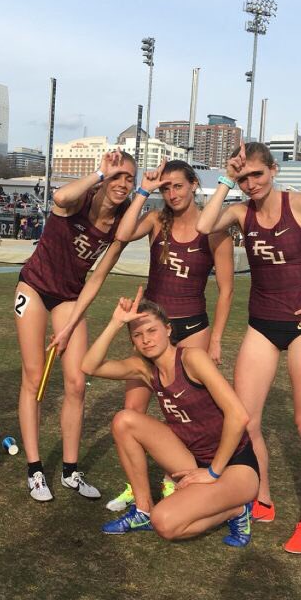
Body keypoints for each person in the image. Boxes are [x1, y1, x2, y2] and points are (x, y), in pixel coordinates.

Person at [197, 141, 301, 553]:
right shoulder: (241, 212)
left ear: (273, 170)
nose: (251, 183)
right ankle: (264, 500)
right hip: (261, 327)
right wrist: (224, 177)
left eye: (257, 174)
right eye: (244, 178)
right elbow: (204, 227)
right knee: (246, 421)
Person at [105, 159, 235, 511]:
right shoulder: (156, 220)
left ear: (194, 184)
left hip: (193, 330)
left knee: (186, 413)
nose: (172, 193)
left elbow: (226, 290)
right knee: (133, 407)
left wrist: (218, 339)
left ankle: (186, 480)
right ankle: (137, 488)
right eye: (166, 188)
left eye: (178, 185)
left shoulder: (216, 228)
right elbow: (121, 233)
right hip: (150, 329)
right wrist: (144, 189)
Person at [81, 289, 259, 545]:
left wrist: (213, 472)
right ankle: (142, 509)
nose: (146, 340)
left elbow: (238, 415)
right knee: (124, 420)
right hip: (191, 457)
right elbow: (90, 366)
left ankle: (237, 510)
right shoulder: (145, 369)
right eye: (138, 335)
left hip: (234, 465)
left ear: (167, 329)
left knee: (165, 523)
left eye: (152, 331)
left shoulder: (192, 358)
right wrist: (116, 322)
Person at [15, 150, 136, 503]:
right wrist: (101, 172)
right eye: (118, 176)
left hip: (71, 297)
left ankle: (70, 470)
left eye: (129, 178)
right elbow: (59, 197)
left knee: (77, 382)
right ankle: (35, 470)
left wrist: (69, 327)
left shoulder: (122, 220)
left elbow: (98, 276)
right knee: (34, 378)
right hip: (34, 287)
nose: (122, 183)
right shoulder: (78, 199)